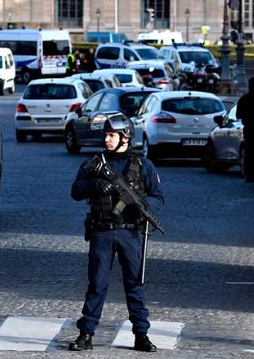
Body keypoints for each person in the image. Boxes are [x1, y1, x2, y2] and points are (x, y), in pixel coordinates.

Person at [69, 113, 164, 353]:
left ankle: (141, 334)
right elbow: (76, 190)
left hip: (130, 233)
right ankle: (86, 334)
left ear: (126, 138)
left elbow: (158, 197)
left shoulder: (143, 165)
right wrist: (96, 185)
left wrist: (141, 205)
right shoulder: (95, 163)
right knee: (97, 284)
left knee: (135, 285)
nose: (107, 139)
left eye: (112, 135)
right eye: (106, 135)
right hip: (101, 232)